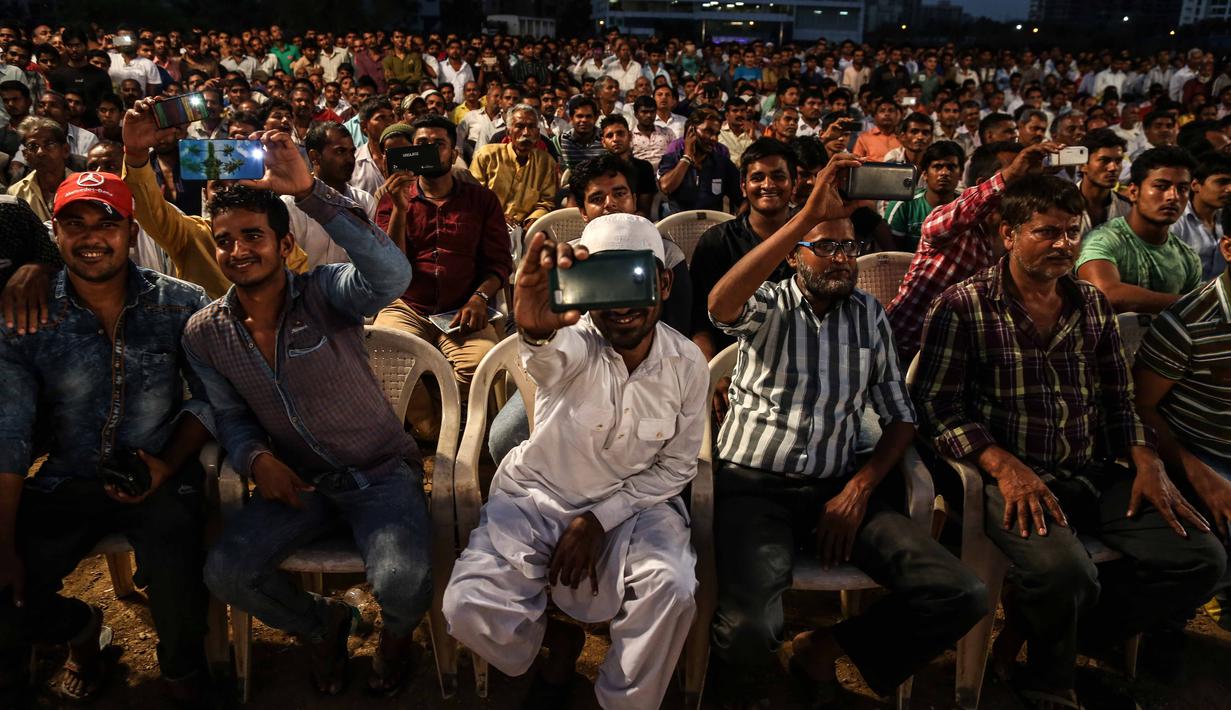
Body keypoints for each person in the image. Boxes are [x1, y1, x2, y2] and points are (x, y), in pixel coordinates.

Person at [913, 174, 1225, 710]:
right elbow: (936, 410)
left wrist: (1145, 459)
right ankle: (1050, 683)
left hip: (1089, 468)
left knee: (1199, 559)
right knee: (1065, 572)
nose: (1064, 245)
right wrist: (1002, 464)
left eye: (1072, 233)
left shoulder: (1089, 305)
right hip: (1003, 476)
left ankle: (1043, 641)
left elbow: (1118, 397)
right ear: (1008, 234)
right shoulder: (962, 306)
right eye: (1047, 233)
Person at [705, 149, 987, 709]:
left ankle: (822, 649)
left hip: (837, 486)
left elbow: (901, 415)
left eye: (847, 248)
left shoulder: (868, 314)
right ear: (794, 256)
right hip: (754, 487)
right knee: (750, 628)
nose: (840, 259)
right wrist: (805, 216)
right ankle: (732, 683)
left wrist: (858, 490)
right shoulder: (771, 305)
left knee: (961, 592)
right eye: (824, 247)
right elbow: (719, 304)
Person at [188, 130, 430, 698]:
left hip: (380, 474)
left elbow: (392, 277)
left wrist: (311, 192)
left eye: (253, 236)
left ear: (283, 239)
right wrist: (254, 459)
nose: (239, 251)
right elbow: (228, 414)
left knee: (402, 581)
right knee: (226, 573)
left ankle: (396, 638)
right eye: (225, 241)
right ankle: (326, 626)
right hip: (299, 484)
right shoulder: (206, 333)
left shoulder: (325, 292)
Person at [443, 213, 707, 710]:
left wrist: (597, 520)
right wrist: (534, 332)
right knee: (467, 607)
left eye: (634, 278)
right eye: (603, 283)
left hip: (634, 510)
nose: (623, 304)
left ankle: (625, 702)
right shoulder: (573, 342)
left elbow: (675, 468)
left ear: (664, 282)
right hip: (539, 498)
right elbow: (546, 357)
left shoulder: (686, 362)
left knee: (672, 587)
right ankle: (550, 641)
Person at [0, 172, 215, 706]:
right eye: (75, 224)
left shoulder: (180, 304)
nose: (92, 237)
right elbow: (8, 431)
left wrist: (167, 463)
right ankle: (79, 628)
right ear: (55, 231)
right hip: (67, 481)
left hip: (158, 474)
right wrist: (2, 543)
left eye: (107, 223)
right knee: (4, 588)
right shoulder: (26, 314)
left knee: (179, 570)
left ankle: (184, 676)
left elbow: (211, 399)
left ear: (131, 231)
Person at [372, 114, 511, 436]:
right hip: (408, 304)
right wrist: (399, 210)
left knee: (480, 364)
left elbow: (500, 263)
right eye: (422, 145)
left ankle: (454, 420)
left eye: (439, 145)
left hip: (461, 306)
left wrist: (479, 298)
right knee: (380, 354)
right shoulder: (393, 199)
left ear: (453, 152)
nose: (431, 150)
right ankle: (433, 429)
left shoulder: (481, 200)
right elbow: (388, 264)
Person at [1134, 229, 1231, 632]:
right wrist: (1196, 471)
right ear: (1227, 247)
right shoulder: (1190, 320)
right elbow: (1140, 406)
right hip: (1201, 449)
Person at [886, 140, 1058, 363]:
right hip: (904, 350)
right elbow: (950, 217)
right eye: (1017, 180)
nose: (1024, 191)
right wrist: (1010, 175)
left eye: (1029, 183)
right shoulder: (948, 223)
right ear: (984, 184)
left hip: (967, 356)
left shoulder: (1022, 238)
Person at [121, 97, 308, 300]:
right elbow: (148, 208)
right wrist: (136, 152)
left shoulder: (280, 242)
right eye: (218, 186)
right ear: (205, 194)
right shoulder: (192, 235)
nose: (228, 192)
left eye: (238, 183)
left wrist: (306, 187)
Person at [689, 138, 795, 360]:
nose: (768, 185)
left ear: (793, 185)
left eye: (778, 176)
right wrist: (712, 372)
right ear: (743, 187)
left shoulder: (811, 240)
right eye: (757, 178)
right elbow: (700, 320)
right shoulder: (716, 241)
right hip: (732, 361)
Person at [1077, 147, 1203, 314]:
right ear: (1133, 192)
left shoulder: (1187, 257)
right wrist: (1190, 303)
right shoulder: (1102, 240)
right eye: (1161, 186)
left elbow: (1195, 319)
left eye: (1182, 189)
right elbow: (1105, 294)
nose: (1173, 196)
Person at [289, 121, 377, 267]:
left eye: (352, 152)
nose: (350, 160)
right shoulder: (291, 204)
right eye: (340, 151)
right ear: (314, 157)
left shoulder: (364, 202)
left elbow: (373, 258)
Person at [470, 104, 557, 230]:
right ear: (508, 132)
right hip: (486, 224)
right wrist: (497, 215)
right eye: (520, 126)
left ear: (538, 134)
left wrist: (533, 220)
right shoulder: (487, 156)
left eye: (531, 127)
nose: (526, 133)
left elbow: (546, 202)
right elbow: (473, 196)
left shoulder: (547, 163)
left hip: (526, 230)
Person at [884, 140, 965, 252]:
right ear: (925, 174)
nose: (944, 173)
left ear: (960, 174)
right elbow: (891, 253)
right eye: (937, 167)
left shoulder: (966, 206)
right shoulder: (903, 205)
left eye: (951, 167)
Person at [658, 107, 741, 213]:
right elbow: (666, 187)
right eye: (708, 131)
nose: (714, 139)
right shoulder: (672, 159)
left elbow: (743, 199)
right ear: (690, 131)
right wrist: (687, 157)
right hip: (679, 225)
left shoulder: (722, 163)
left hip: (713, 225)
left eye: (716, 134)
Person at [1174, 152, 1231, 281]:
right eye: (1222, 182)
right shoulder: (1176, 222)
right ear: (1195, 186)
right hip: (1182, 298)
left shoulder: (1226, 218)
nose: (1230, 189)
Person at [6, 116, 72, 221]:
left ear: (65, 150)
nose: (40, 152)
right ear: (25, 155)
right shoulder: (16, 193)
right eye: (32, 146)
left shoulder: (82, 186)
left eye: (49, 144)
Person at [1077, 128, 1132, 237]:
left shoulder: (1127, 208)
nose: (1113, 168)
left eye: (1118, 161)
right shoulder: (1059, 204)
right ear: (1083, 165)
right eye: (1104, 160)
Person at [598, 113, 656, 217]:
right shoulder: (597, 169)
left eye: (620, 134)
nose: (615, 139)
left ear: (629, 136)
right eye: (609, 136)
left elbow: (644, 210)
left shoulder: (644, 168)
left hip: (635, 223)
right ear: (603, 142)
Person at [554, 96, 606, 171]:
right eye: (579, 116)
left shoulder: (605, 138)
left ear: (595, 118)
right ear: (571, 118)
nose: (584, 120)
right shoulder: (560, 141)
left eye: (588, 116)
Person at [630, 94, 674, 171]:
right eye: (644, 112)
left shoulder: (667, 132)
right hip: (640, 175)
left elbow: (674, 155)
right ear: (636, 114)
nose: (649, 115)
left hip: (666, 172)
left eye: (652, 112)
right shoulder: (629, 136)